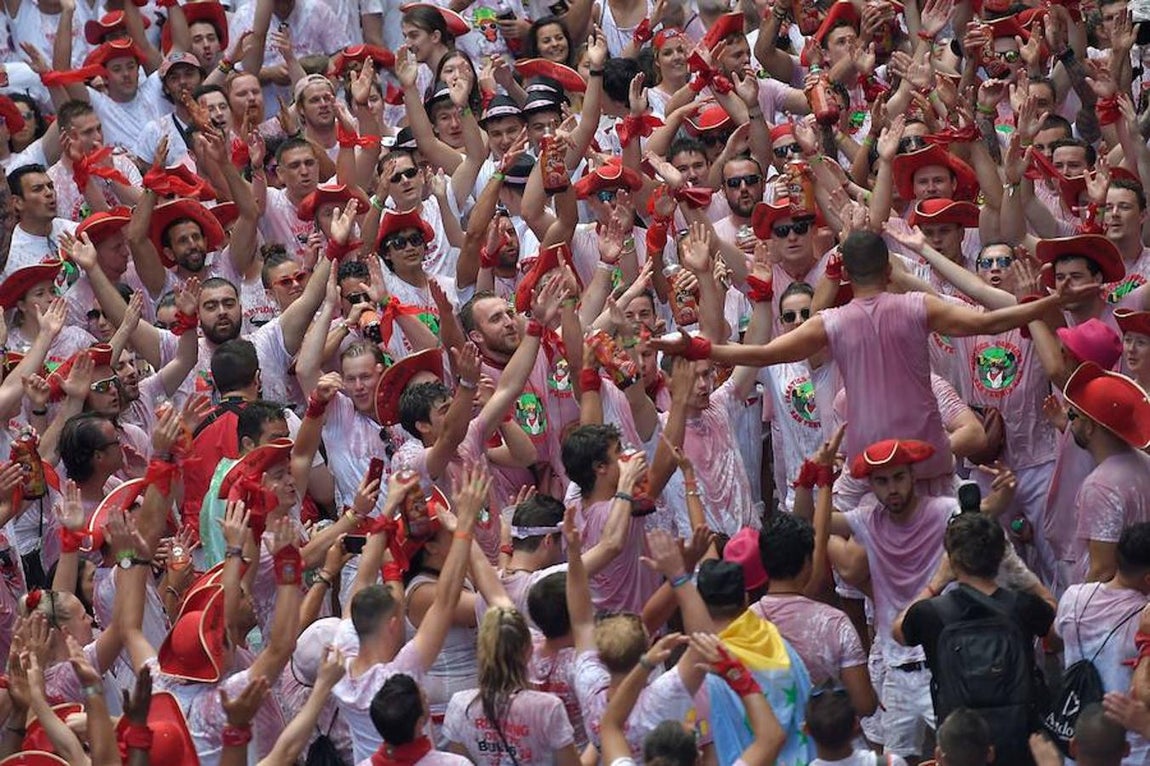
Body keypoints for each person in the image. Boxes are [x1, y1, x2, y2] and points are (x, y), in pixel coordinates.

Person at [895, 511, 1054, 765]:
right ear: (999, 556)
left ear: (952, 560)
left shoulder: (931, 613)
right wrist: (1017, 570)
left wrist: (936, 582)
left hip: (960, 745)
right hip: (1019, 742)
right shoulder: (1023, 607)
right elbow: (1052, 612)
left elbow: (899, 631)